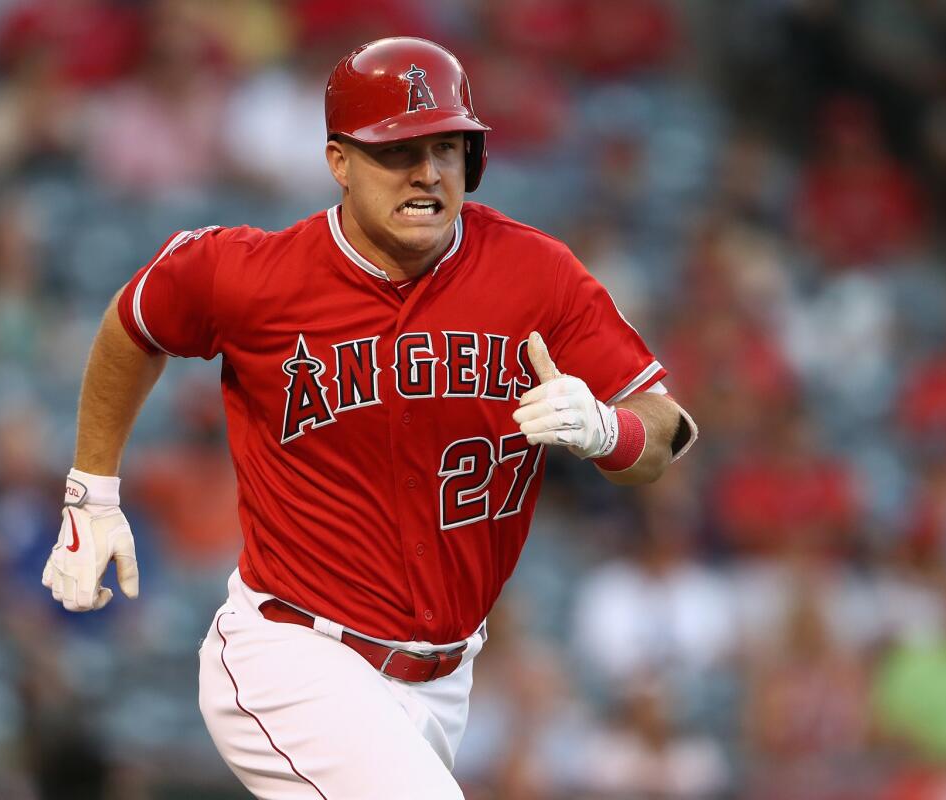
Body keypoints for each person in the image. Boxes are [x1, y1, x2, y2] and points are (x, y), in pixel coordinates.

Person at [40, 36, 696, 799]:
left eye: (446, 148)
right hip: (292, 653)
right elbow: (135, 322)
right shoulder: (256, 276)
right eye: (398, 151)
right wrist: (93, 488)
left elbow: (670, 428)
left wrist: (606, 429)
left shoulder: (536, 277)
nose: (427, 173)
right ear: (339, 162)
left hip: (444, 681)